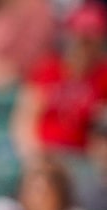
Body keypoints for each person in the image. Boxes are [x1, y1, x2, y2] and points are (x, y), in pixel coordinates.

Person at [9, 1, 107, 160]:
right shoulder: (48, 70)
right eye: (80, 38)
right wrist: (34, 155)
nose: (83, 45)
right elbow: (25, 119)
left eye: (90, 40)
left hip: (83, 158)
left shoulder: (103, 75)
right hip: (46, 154)